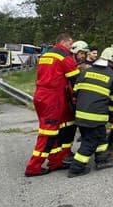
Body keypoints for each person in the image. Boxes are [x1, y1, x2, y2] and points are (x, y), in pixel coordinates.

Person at [24, 33, 79, 177]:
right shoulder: (64, 57)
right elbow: (76, 80)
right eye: (70, 44)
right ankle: (33, 166)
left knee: (55, 129)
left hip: (41, 95)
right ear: (64, 42)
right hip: (53, 98)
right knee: (48, 133)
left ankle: (56, 161)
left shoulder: (46, 55)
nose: (71, 48)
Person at [67, 46, 113, 177]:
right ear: (112, 62)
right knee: (90, 141)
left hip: (80, 115)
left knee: (101, 135)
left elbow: (75, 93)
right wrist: (111, 116)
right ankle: (76, 168)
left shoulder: (85, 72)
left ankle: (102, 159)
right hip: (96, 117)